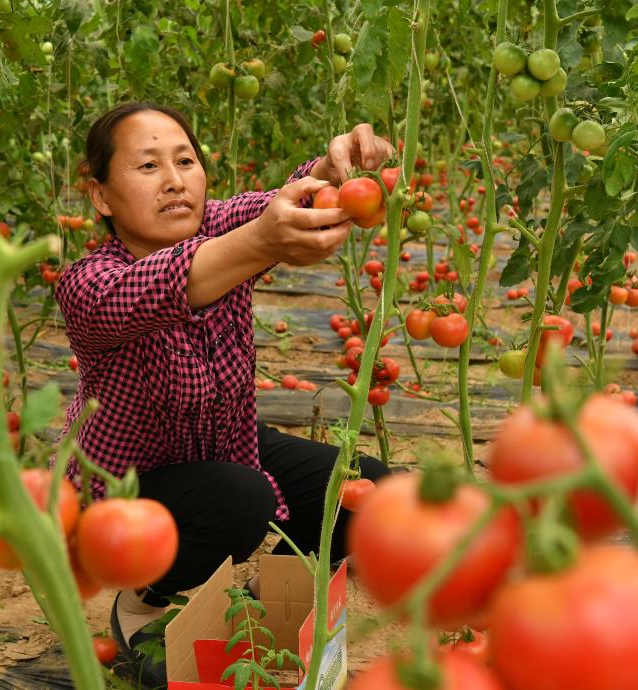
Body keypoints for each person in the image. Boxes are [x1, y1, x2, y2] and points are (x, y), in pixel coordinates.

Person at [55, 101, 393, 684]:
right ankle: (141, 602)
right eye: (148, 166)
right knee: (240, 501)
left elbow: (279, 205)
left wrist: (338, 169)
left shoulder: (218, 228)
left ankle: (266, 595)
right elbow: (180, 276)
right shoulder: (90, 286)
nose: (174, 180)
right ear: (101, 196)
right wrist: (261, 241)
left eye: (185, 161)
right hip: (126, 482)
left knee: (366, 492)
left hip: (222, 446)